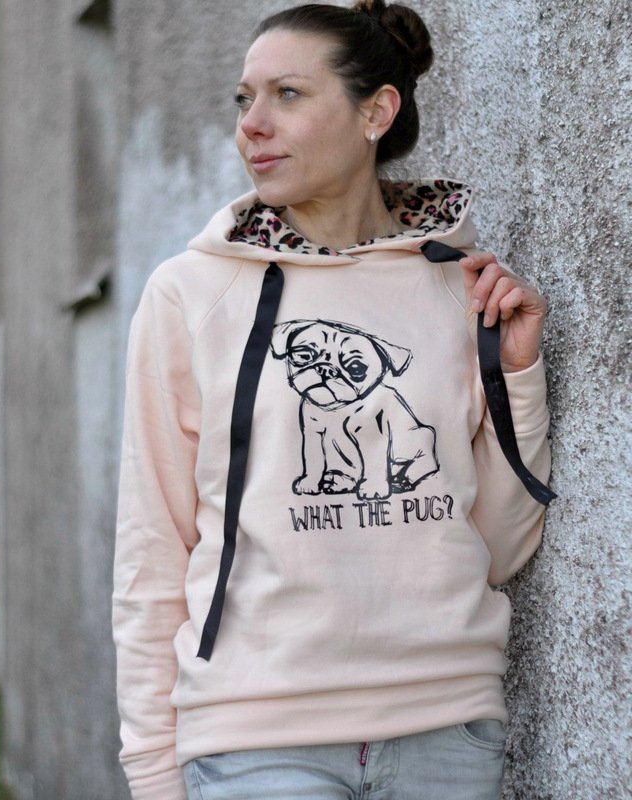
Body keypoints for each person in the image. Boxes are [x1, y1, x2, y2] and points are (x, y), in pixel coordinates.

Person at [112, 2, 552, 799]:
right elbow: (152, 546)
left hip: (446, 731)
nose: (252, 124)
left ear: (375, 112)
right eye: (244, 99)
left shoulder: (459, 288)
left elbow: (490, 544)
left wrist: (516, 376)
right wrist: (150, 765)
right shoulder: (191, 294)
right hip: (256, 740)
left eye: (287, 94)